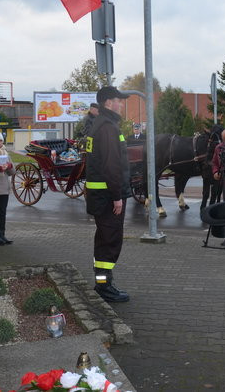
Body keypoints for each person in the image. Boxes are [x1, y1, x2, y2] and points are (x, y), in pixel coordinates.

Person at [84, 86, 131, 303]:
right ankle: (104, 286)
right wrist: (117, 197)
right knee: (109, 241)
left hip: (99, 195)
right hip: (106, 196)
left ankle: (103, 283)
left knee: (104, 240)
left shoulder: (99, 125)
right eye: (118, 100)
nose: (121, 104)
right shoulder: (108, 128)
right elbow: (112, 166)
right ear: (108, 103)